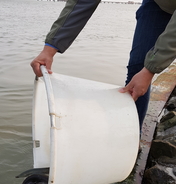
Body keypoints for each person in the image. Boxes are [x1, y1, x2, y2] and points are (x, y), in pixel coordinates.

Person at [31, 0, 176, 128]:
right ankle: (129, 136)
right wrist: (49, 48)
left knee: (147, 69)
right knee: (137, 68)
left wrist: (150, 70)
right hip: (158, 5)